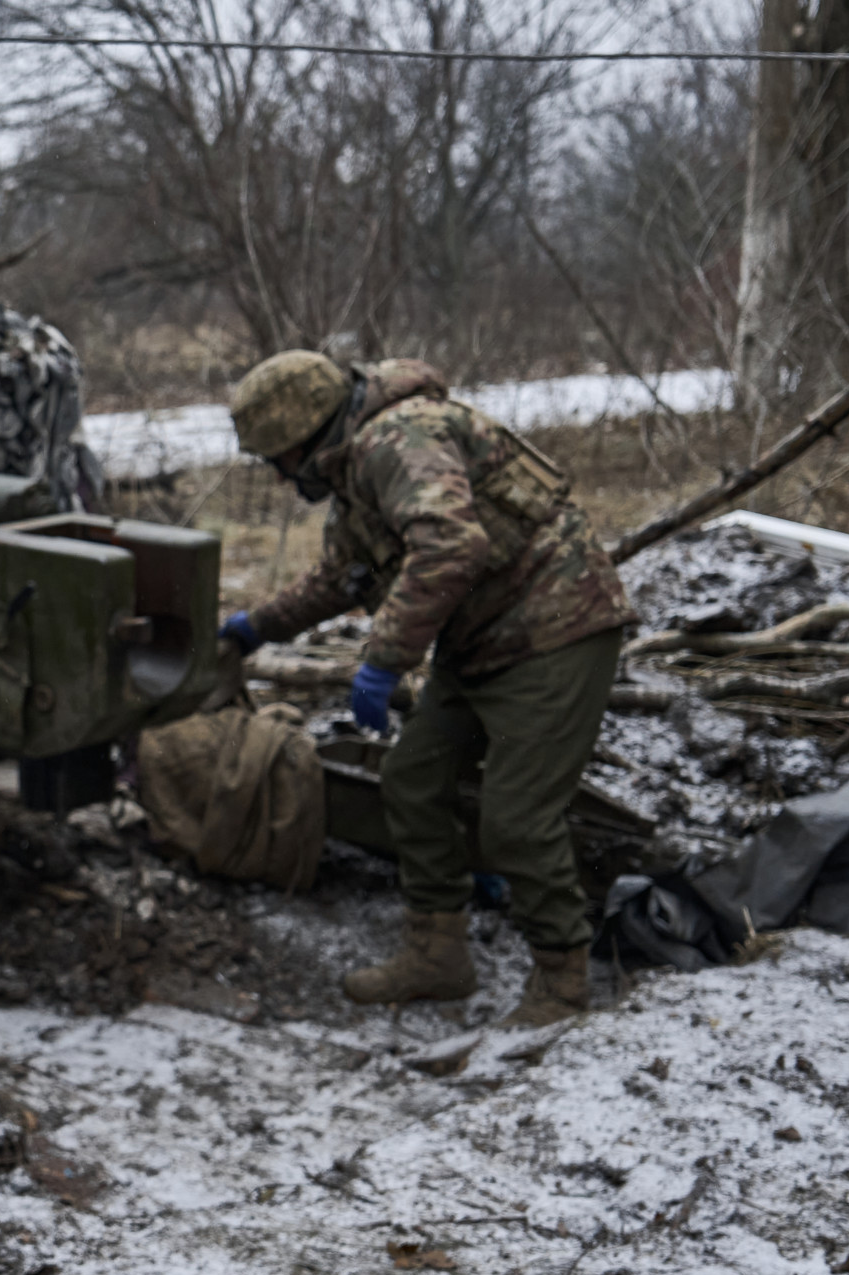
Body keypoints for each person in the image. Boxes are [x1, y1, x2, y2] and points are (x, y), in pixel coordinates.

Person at [218, 350, 635, 1025]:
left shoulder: (400, 438)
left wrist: (384, 659)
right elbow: (341, 577)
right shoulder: (357, 465)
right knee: (412, 778)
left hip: (557, 625)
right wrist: (253, 628)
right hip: (481, 637)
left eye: (276, 457)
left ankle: (562, 982)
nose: (276, 475)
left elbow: (451, 545)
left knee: (516, 817)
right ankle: (438, 954)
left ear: (303, 437)